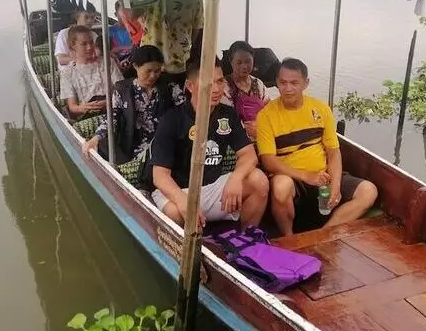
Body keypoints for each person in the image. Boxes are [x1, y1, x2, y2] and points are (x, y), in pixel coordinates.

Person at [255, 58, 377, 236]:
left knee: (368, 191)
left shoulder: (321, 109)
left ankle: (323, 234)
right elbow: (268, 160)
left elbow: (333, 152)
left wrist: (335, 184)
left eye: (294, 83)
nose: (288, 88)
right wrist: (306, 176)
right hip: (293, 178)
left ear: (306, 83)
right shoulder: (266, 116)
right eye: (283, 82)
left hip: (323, 175)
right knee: (281, 186)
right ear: (277, 83)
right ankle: (290, 239)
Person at [146, 58, 268, 228]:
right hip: (179, 190)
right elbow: (160, 176)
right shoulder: (172, 119)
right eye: (208, 84)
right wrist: (182, 200)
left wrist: (236, 177)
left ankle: (243, 240)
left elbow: (248, 154)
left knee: (259, 181)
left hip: (214, 187)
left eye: (220, 81)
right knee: (175, 212)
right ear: (190, 86)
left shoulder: (228, 115)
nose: (217, 89)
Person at [82, 45, 184, 164]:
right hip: (134, 145)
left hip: (164, 144)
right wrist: (96, 138)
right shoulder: (122, 90)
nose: (153, 76)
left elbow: (183, 111)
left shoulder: (170, 87)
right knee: (104, 145)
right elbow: (113, 116)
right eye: (148, 71)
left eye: (157, 71)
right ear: (136, 66)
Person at [140, 0, 204, 85]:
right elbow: (196, 32)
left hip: (149, 62)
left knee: (150, 100)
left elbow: (131, 14)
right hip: (177, 63)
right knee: (176, 99)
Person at [60, 25, 122, 119]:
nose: (89, 47)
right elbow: (72, 107)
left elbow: (121, 89)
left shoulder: (108, 62)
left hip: (114, 107)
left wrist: (107, 102)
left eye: (91, 42)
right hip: (88, 115)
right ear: (73, 46)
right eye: (84, 44)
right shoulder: (67, 73)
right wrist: (84, 108)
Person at [220, 41, 269, 139]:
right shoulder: (223, 85)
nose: (244, 66)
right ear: (231, 61)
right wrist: (245, 128)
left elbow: (269, 109)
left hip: (260, 133)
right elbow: (225, 117)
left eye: (248, 61)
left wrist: (259, 125)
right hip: (234, 136)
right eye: (239, 62)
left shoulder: (258, 83)